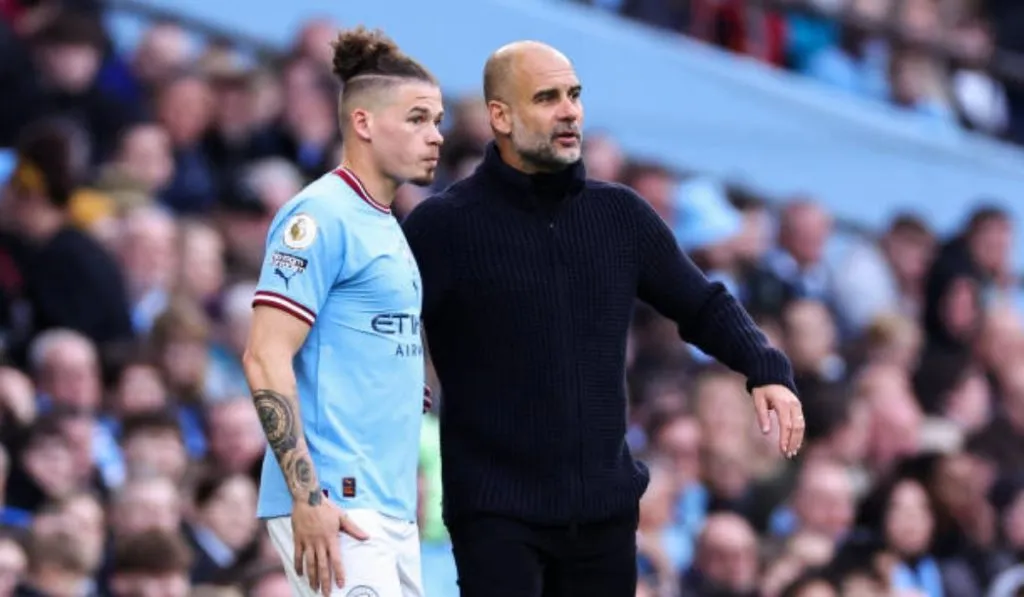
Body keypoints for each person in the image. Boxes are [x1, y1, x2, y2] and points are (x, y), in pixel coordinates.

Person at [401, 40, 805, 597]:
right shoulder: (442, 227)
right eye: (547, 98)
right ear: (501, 116)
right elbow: (381, 330)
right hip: (496, 514)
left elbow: (701, 302)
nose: (569, 111)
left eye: (574, 95)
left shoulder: (620, 214)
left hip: (603, 515)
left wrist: (766, 365)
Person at [242, 27, 443, 597]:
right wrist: (308, 499)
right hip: (338, 502)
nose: (436, 136)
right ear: (363, 123)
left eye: (438, 120)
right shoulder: (318, 216)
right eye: (418, 119)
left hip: (390, 505)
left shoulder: (387, 224)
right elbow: (264, 356)